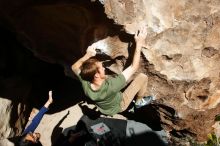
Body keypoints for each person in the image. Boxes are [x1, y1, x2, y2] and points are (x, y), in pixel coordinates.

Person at [71, 28, 153, 116]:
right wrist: (139, 43)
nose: (103, 67)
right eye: (101, 67)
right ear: (96, 75)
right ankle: (138, 103)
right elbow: (133, 67)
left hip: (103, 109)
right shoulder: (112, 86)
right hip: (120, 106)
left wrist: (88, 55)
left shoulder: (85, 80)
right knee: (142, 77)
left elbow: (74, 67)